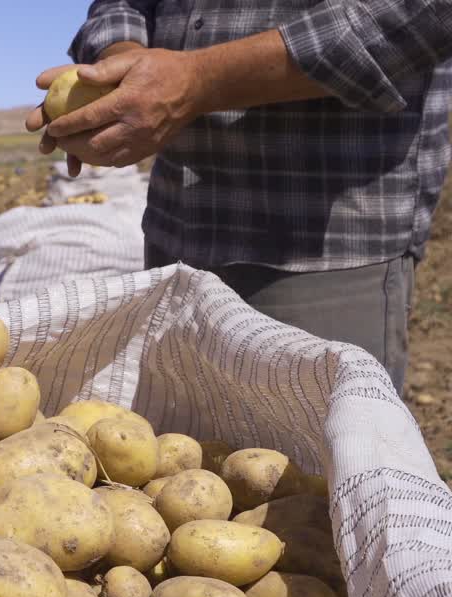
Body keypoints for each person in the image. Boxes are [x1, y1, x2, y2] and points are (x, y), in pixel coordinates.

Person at [27, 1, 452, 391]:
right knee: (178, 447)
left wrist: (199, 81)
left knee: (313, 459)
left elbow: (421, 10)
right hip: (176, 231)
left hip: (321, 246)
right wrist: (119, 63)